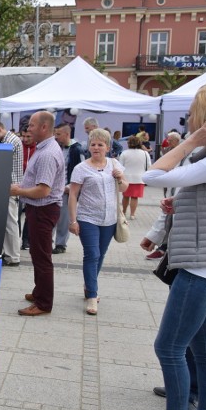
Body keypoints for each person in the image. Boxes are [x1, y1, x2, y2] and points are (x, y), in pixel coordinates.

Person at [131, 85, 206, 410]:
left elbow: (151, 176)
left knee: (169, 347)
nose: (189, 120)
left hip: (201, 268)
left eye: (195, 115)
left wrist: (188, 141)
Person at [10, 110, 65, 316]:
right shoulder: (44, 148)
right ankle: (39, 290)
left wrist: (18, 191)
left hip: (42, 209)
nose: (28, 129)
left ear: (43, 127)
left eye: (32, 125)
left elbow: (43, 190)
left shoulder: (47, 154)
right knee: (36, 253)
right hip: (39, 209)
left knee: (42, 257)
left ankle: (43, 303)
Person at [67, 129, 128, 315]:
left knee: (100, 255)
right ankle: (92, 296)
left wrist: (119, 178)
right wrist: (73, 220)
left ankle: (89, 285)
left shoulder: (114, 164)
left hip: (109, 219)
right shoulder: (81, 168)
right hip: (87, 218)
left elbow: (124, 187)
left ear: (107, 147)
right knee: (91, 254)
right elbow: (73, 194)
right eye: (93, 144)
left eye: (100, 145)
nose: (96, 147)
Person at [0, 120, 24, 266]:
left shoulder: (9, 142)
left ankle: (13, 256)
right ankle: (9, 254)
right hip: (9, 186)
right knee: (8, 222)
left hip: (10, 186)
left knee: (10, 223)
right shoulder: (10, 140)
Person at [51, 123, 85, 255]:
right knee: (52, 217)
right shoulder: (56, 147)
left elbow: (82, 170)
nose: (56, 137)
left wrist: (71, 187)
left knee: (64, 218)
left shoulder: (77, 149)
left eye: (58, 134)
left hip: (67, 189)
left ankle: (61, 244)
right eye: (55, 134)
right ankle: (49, 242)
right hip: (54, 189)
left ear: (67, 134)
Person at [118, 135, 151, 220]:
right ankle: (132, 214)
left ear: (129, 143)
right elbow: (149, 166)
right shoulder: (145, 153)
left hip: (126, 178)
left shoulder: (124, 153)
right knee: (134, 197)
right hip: (139, 178)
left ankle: (124, 212)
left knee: (125, 196)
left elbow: (120, 166)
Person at [19, 130, 36, 250]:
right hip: (19, 185)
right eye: (23, 136)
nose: (25, 139)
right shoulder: (19, 147)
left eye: (28, 136)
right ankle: (16, 239)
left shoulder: (39, 149)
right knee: (17, 215)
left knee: (30, 215)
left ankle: (26, 241)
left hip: (32, 186)